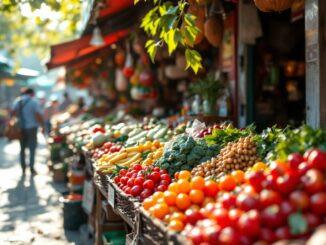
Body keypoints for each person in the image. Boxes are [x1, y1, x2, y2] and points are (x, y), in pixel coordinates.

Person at [12, 88, 44, 175]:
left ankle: (23, 169)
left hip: (21, 128)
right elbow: (38, 115)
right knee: (32, 149)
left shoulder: (18, 101)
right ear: (32, 93)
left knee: (22, 149)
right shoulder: (34, 101)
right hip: (32, 128)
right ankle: (32, 168)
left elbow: (13, 113)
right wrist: (42, 125)